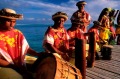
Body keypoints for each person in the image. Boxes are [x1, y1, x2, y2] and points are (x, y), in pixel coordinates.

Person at [0, 8, 40, 79]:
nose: (12, 24)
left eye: (14, 21)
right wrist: (13, 66)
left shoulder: (17, 33)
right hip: (4, 65)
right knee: (16, 77)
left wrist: (38, 54)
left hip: (18, 62)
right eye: (9, 21)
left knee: (40, 64)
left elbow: (26, 48)